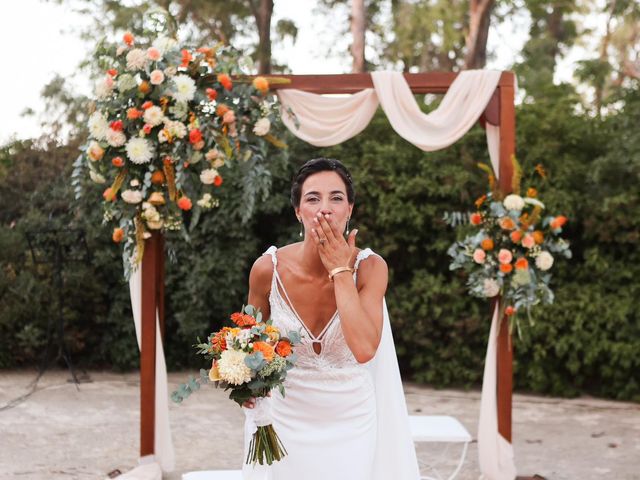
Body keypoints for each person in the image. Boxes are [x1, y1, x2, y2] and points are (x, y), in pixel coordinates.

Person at [242, 158, 420, 480]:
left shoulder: (371, 268)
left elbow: (365, 348)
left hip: (351, 421)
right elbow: (246, 343)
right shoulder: (267, 269)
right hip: (283, 419)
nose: (325, 209)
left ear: (349, 209)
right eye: (313, 198)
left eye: (336, 198)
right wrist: (242, 379)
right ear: (298, 211)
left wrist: (340, 270)